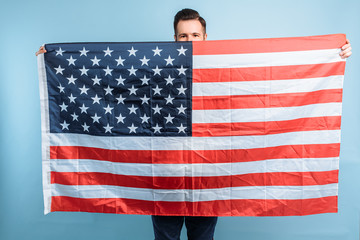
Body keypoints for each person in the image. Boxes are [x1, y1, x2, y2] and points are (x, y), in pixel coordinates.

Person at [35, 8, 352, 240]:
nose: (189, 40)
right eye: (183, 36)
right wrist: (55, 62)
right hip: (165, 181)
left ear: (205, 37)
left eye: (195, 35)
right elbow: (111, 87)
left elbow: (262, 96)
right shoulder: (153, 72)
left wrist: (334, 57)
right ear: (174, 39)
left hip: (208, 180)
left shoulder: (226, 73)